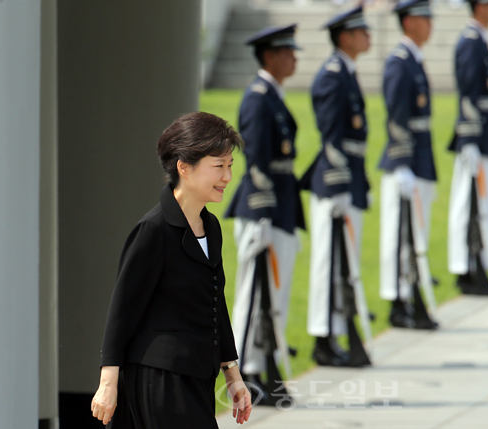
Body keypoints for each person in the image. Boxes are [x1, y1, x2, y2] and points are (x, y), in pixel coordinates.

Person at [91, 112, 251, 428]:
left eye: (230, 166)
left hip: (198, 377)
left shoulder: (211, 226)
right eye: (218, 167)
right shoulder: (154, 230)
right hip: (161, 377)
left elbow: (215, 304)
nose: (227, 177)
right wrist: (108, 383)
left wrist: (232, 374)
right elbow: (123, 309)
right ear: (184, 167)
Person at [225, 24, 305, 405]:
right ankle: (246, 373)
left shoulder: (271, 94)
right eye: (288, 51)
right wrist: (262, 215)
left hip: (280, 206)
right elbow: (255, 160)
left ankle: (260, 366)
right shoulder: (258, 97)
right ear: (270, 55)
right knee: (255, 296)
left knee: (273, 295)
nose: (294, 58)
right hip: (265, 209)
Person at [301, 5, 372, 367]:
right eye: (362, 30)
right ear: (345, 37)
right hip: (335, 184)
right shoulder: (332, 76)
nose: (369, 35)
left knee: (344, 262)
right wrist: (342, 184)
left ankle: (335, 331)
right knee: (328, 263)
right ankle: (322, 337)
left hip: (349, 180)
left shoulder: (346, 72)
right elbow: (331, 138)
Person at [378, 0, 439, 329]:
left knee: (416, 233)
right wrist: (401, 162)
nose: (430, 24)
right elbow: (396, 116)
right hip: (407, 162)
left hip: (420, 159)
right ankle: (399, 301)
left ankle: (411, 294)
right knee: (400, 235)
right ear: (409, 22)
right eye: (425, 18)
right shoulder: (400, 63)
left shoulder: (413, 60)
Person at [447, 0, 488, 295]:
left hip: (487, 134)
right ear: (480, 6)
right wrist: (469, 139)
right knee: (469, 205)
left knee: (483, 205)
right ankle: (466, 268)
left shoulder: (480, 40)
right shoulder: (471, 43)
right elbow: (468, 94)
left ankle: (477, 264)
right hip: (477, 137)